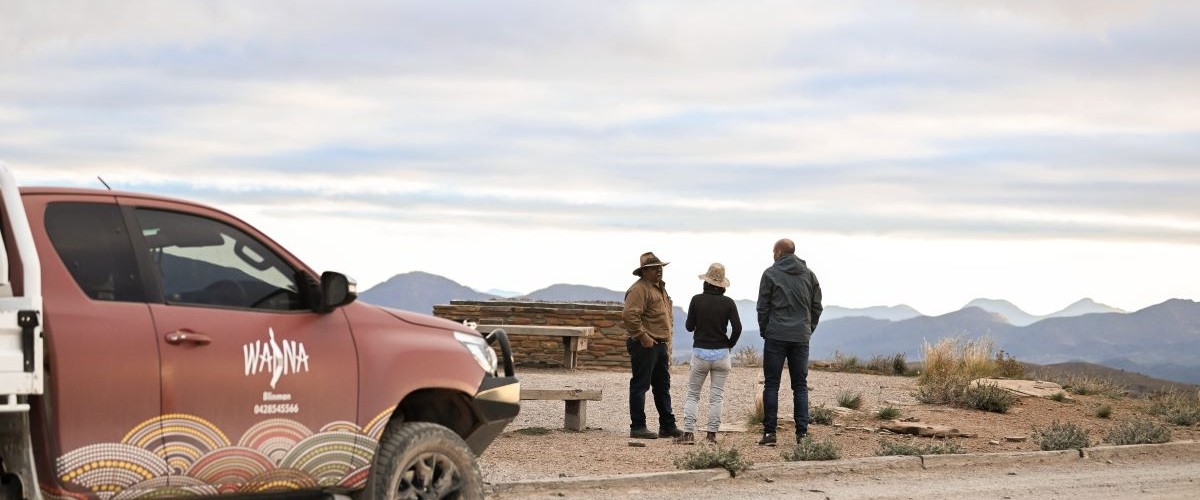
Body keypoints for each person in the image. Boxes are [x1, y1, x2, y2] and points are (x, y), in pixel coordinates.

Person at [756, 238, 823, 446]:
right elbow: (817, 306)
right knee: (800, 386)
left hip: (776, 335)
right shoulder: (809, 275)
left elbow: (763, 307)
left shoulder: (770, 274)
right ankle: (802, 434)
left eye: (773, 251)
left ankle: (770, 434)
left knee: (772, 384)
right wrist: (807, 329)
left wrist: (766, 330)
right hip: (800, 337)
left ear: (778, 252)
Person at [676, 263, 742, 445]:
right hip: (722, 355)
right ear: (722, 284)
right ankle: (711, 436)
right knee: (716, 397)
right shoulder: (729, 303)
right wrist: (729, 345)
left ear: (706, 281)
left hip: (700, 353)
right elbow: (737, 328)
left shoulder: (697, 300)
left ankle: (688, 434)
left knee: (693, 395)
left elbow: (689, 327)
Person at [624, 251, 682, 439]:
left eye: (660, 267)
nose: (659, 270)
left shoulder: (659, 288)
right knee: (640, 385)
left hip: (660, 344)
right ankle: (638, 426)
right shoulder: (639, 289)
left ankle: (667, 426)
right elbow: (630, 315)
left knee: (662, 386)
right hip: (645, 345)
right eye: (653, 268)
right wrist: (643, 337)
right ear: (644, 271)